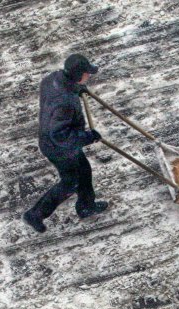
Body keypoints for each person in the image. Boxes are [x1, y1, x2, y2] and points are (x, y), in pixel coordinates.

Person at [23, 54, 109, 233]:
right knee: (70, 182)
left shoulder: (53, 79)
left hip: (54, 139)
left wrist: (77, 89)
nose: (89, 76)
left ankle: (86, 206)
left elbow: (58, 94)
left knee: (84, 170)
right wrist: (87, 137)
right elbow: (60, 135)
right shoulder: (65, 102)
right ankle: (35, 214)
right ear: (78, 74)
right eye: (86, 73)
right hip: (58, 147)